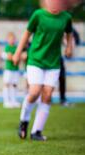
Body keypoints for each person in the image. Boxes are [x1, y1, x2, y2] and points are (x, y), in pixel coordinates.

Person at [13, 0, 74, 141]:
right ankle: (24, 121)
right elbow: (26, 35)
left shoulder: (66, 17)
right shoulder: (38, 15)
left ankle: (37, 132)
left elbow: (69, 33)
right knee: (34, 92)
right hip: (36, 60)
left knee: (47, 95)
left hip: (53, 63)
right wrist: (17, 52)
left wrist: (69, 47)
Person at [2, 32, 21, 109]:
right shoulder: (7, 47)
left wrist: (17, 58)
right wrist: (15, 58)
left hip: (15, 69)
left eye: (13, 39)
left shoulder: (16, 47)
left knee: (14, 84)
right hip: (9, 69)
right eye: (10, 39)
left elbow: (19, 57)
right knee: (7, 84)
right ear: (7, 40)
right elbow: (10, 57)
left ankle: (14, 100)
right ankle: (6, 101)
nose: (12, 40)